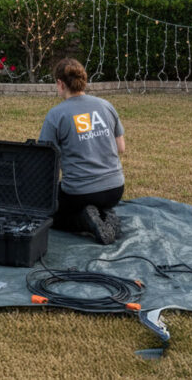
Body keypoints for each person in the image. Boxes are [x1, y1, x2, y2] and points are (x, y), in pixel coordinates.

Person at [39, 57, 126, 245]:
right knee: (93, 200)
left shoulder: (56, 114)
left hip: (79, 193)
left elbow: (44, 160)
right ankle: (105, 214)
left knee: (47, 215)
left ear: (60, 83)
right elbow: (121, 148)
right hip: (115, 190)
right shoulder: (106, 105)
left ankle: (85, 221)